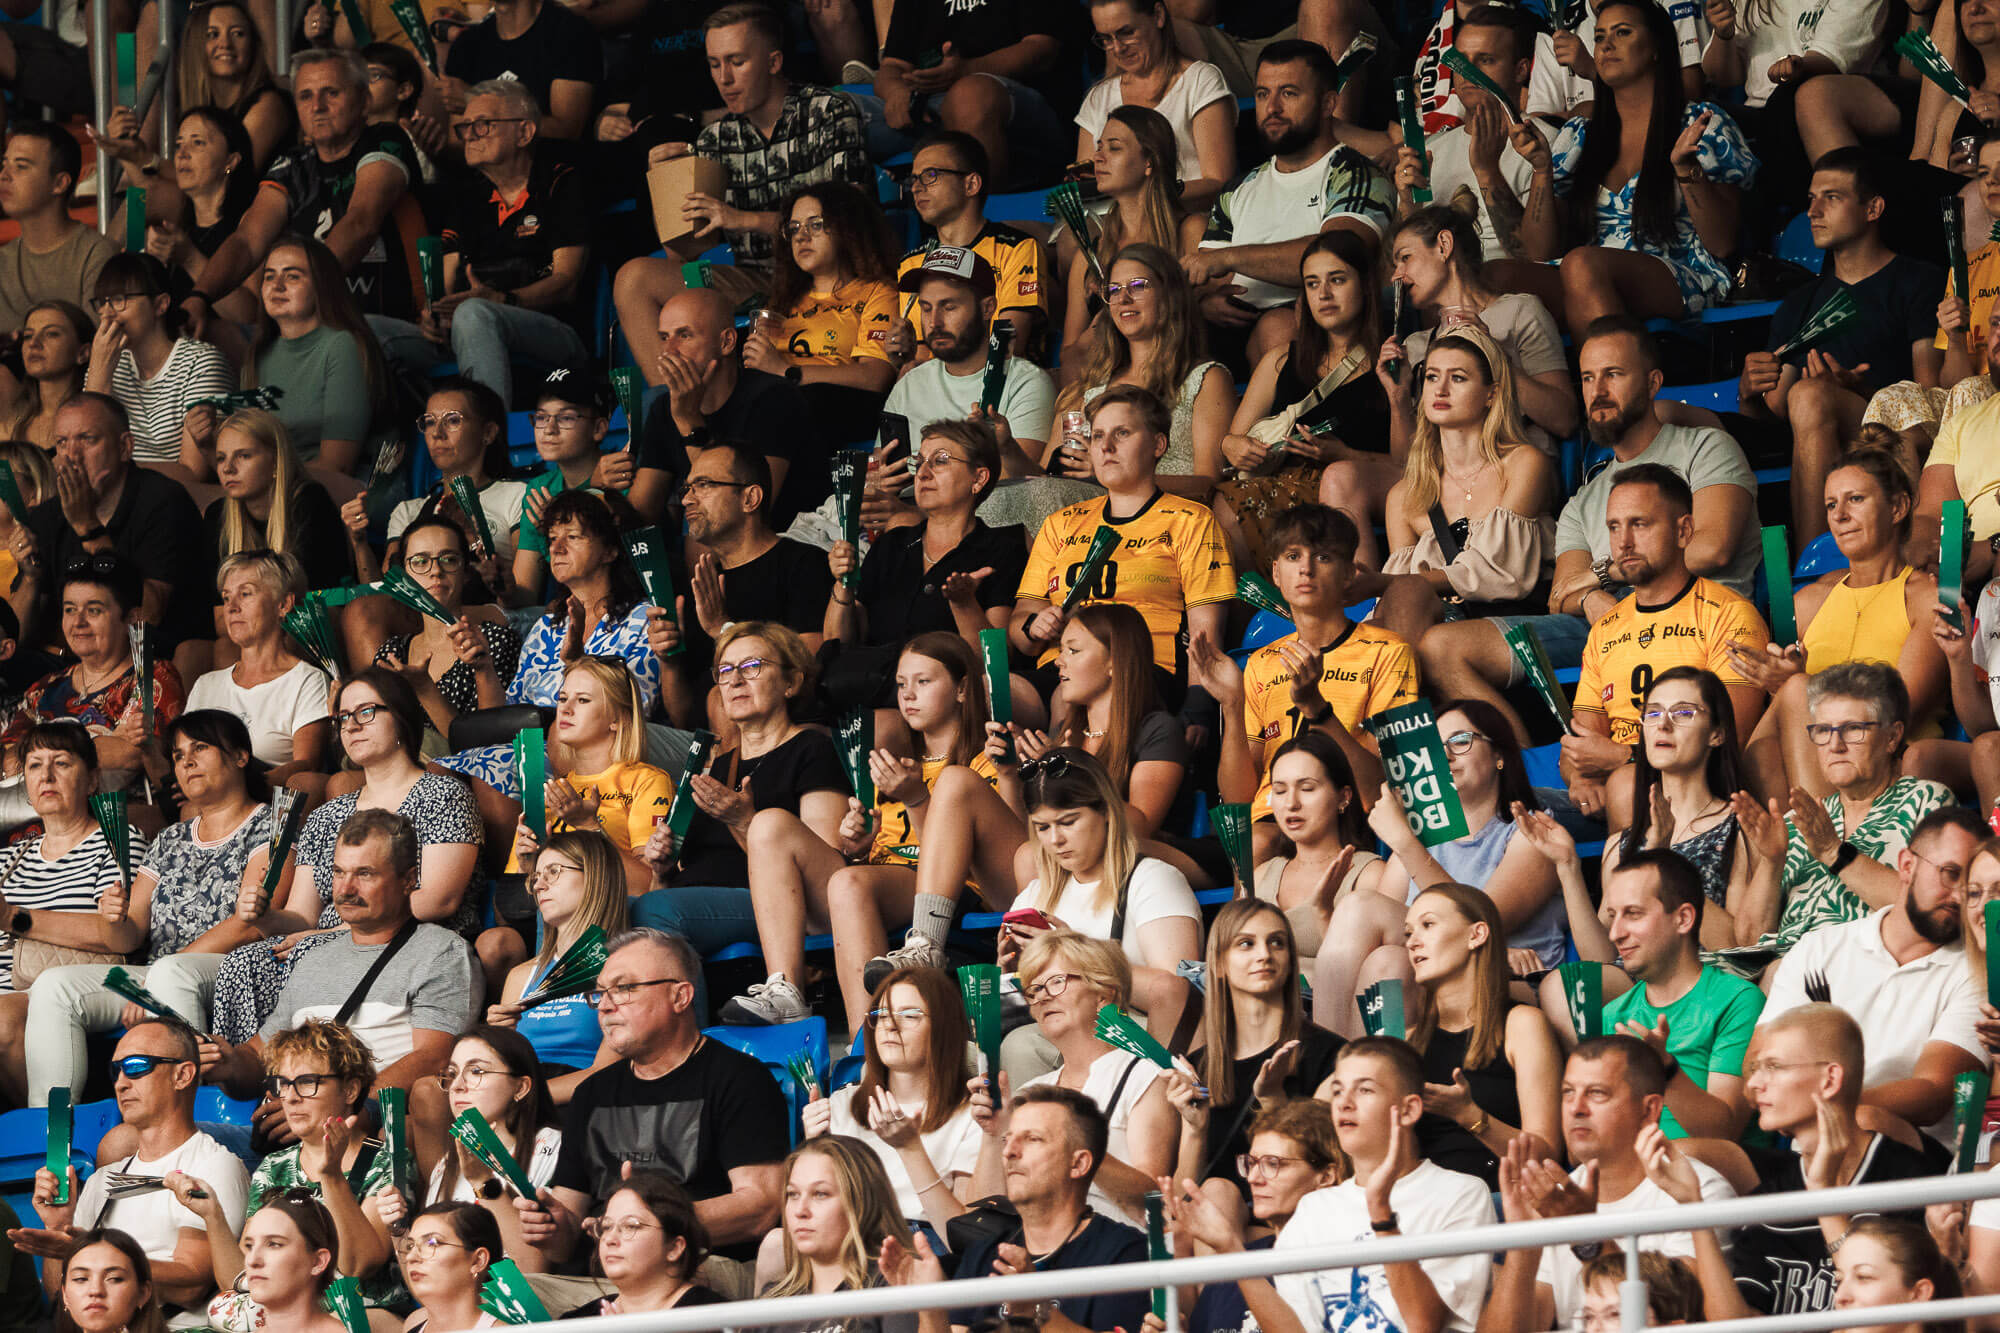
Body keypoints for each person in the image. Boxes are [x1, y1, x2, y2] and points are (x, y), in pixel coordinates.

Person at [1417, 320, 1760, 748]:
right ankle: (1522, 776)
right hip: (1605, 626)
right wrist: (1594, 598)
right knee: (1440, 648)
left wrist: (1603, 576)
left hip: (1698, 618)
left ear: (1653, 383)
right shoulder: (1586, 497)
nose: (1597, 390)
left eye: (1613, 375)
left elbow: (1712, 546)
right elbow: (1562, 593)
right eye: (1586, 378)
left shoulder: (1705, 448)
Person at [21, 710, 280, 1108]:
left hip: (233, 965)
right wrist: (114, 919)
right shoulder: (171, 838)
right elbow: (131, 934)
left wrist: (163, 970)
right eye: (177, 756)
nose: (186, 762)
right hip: (161, 971)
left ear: (241, 756)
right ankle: (53, 1130)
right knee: (54, 987)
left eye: (200, 748)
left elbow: (248, 925)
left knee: (170, 972)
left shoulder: (270, 825)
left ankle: (184, 1120)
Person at [737, 634, 994, 1027]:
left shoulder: (987, 761)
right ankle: (784, 987)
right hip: (882, 885)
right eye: (902, 684)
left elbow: (983, 864)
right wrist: (858, 845)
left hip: (948, 892)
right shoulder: (896, 765)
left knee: (850, 884)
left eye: (923, 682)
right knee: (769, 823)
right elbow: (874, 855)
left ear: (962, 689)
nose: (908, 695)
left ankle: (867, 1039)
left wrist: (915, 799)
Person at [208, 676, 482, 1043]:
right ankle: (257, 1081)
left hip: (405, 938)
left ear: (401, 717)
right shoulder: (327, 815)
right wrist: (266, 916)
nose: (351, 725)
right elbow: (300, 916)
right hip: (328, 943)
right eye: (343, 717)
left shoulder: (443, 795)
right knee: (243, 962)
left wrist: (328, 934)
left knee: (298, 951)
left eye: (366, 712)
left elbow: (438, 900)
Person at [610, 4, 872, 379]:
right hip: (759, 281)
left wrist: (741, 220)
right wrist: (663, 186)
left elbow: (848, 222)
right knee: (634, 278)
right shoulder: (714, 139)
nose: (724, 79)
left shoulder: (829, 111)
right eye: (715, 64)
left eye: (736, 62)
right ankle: (674, 407)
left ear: (774, 61)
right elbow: (684, 249)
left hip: (835, 275)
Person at [515, 927, 789, 1268]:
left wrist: (652, 1222)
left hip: (697, 1269)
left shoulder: (739, 1079)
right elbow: (567, 1232)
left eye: (624, 988)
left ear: (680, 996)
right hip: (601, 1279)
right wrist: (553, 1228)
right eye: (599, 994)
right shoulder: (591, 1094)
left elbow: (760, 1209)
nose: (604, 1006)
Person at [1313, 700, 1562, 1037]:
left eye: (1460, 741)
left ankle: (1327, 1067)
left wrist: (1404, 840)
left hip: (1507, 983)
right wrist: (1325, 915)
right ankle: (1341, 1072)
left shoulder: (1532, 831)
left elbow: (1479, 921)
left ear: (1500, 755)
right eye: (1436, 748)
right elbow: (1368, 933)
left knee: (1364, 912)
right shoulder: (1422, 840)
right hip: (1433, 978)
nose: (1445, 756)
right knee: (1384, 957)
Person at [1736, 151, 1947, 543]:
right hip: (1815, 428)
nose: (1813, 211)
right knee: (1809, 396)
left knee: (1813, 396)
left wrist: (1859, 392)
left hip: (1901, 432)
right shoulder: (1799, 303)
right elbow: (1777, 407)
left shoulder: (1919, 281)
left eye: (1831, 198)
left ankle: (1812, 566)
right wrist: (1749, 391)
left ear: (1873, 208)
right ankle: (1815, 568)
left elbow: (1930, 394)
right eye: (1811, 199)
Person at [203, 811, 482, 1103]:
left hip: (374, 1135)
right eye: (338, 872)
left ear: (408, 879)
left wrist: (336, 1111)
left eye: (365, 874)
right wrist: (227, 1063)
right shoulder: (312, 961)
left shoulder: (440, 952)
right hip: (298, 1132)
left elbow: (435, 1059)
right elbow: (258, 1058)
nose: (346, 889)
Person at [1514, 0, 1758, 330]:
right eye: (1599, 37)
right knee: (1495, 277)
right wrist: (1542, 171)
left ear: (1657, 47)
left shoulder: (1702, 124)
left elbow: (1723, 243)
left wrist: (1686, 171)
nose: (1606, 45)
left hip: (1683, 273)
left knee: (1583, 265)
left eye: (1623, 33)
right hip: (1584, 273)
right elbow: (1537, 252)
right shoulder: (1578, 135)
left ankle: (1605, 378)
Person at [1760, 806, 1989, 1149]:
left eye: (1970, 887)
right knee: (1699, 1153)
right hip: (1806, 1151)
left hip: (1911, 1160)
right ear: (1907, 866)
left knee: (1866, 1122)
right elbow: (1760, 1060)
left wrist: (1829, 1107)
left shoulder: (1976, 973)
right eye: (1949, 873)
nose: (1958, 896)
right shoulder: (1822, 948)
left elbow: (1934, 1091)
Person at [1478, 1035, 1736, 1333]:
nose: (1576, 1108)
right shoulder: (1555, 1197)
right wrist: (1523, 1243)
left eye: (1597, 1093)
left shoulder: (1697, 1189)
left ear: (1650, 1110)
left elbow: (1675, 1313)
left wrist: (1586, 1235)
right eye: (1567, 1093)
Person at [1697, 1004, 1935, 1317]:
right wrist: (1693, 1205)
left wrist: (1823, 1191)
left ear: (1830, 1079)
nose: (1754, 1085)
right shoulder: (1769, 1201)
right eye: (1756, 1069)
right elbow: (1739, 1325)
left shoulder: (1912, 1186)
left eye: (1774, 1067)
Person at [1563, 465, 1769, 822]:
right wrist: (1580, 776)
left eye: (1639, 524)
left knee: (1628, 785)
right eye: (1614, 527)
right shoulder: (1605, 629)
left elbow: (1727, 744)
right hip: (1614, 792)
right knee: (1511, 816)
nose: (1623, 542)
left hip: (1696, 795)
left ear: (1683, 530)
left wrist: (1624, 759)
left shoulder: (1730, 615)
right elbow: (1580, 743)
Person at [635, 623, 847, 969]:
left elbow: (822, 876)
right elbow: (683, 876)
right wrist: (661, 870)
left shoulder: (812, 750)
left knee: (653, 910)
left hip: (778, 906)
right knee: (604, 906)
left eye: (752, 667)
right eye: (725, 670)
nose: (734, 681)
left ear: (791, 683)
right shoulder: (719, 768)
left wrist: (743, 821)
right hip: (693, 904)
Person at [1736, 448, 1943, 800]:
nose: (1841, 515)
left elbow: (1902, 708)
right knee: (1786, 702)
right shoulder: (1809, 601)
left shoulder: (1925, 598)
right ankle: (1799, 838)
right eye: (1831, 505)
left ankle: (1820, 842)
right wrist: (1778, 684)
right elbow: (1783, 719)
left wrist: (1800, 686)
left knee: (1798, 688)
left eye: (1856, 499)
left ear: (1898, 507)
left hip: (1886, 765)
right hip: (1809, 764)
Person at [1199, 505, 1411, 847]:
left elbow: (1378, 789)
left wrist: (1318, 711)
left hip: (1344, 818)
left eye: (1324, 557)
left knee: (1255, 844)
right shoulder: (1261, 662)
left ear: (1349, 574)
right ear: (1276, 574)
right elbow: (1239, 801)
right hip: (1266, 822)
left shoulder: (1388, 652)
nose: (1306, 569)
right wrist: (1232, 705)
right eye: (1293, 556)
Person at [372, 81, 590, 405]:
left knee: (474, 312)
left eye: (483, 125)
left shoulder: (561, 183)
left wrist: (501, 300)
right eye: (464, 128)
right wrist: (433, 316)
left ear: (525, 132)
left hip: (554, 329)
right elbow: (445, 288)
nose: (469, 135)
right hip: (467, 328)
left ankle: (487, 439)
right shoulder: (467, 197)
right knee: (361, 329)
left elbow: (565, 283)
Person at [182, 49, 427, 332]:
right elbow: (248, 241)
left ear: (364, 101)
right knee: (207, 336)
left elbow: (361, 222)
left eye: (331, 93)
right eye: (305, 96)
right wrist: (199, 297)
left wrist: (306, 293)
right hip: (309, 325)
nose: (317, 106)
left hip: (387, 325)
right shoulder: (294, 163)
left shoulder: (385, 139)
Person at [1263, 1038, 1495, 1333]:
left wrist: (1380, 1212)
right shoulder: (1314, 1208)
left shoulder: (1462, 1194)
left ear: (1409, 1110)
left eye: (1365, 1089)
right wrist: (1229, 1248)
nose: (1344, 1103)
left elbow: (1426, 1325)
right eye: (1337, 1091)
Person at [12, 1020, 250, 1306]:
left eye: (137, 1066)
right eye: (116, 1071)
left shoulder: (214, 1165)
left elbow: (192, 1284)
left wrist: (90, 1254)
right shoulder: (104, 1179)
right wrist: (58, 1227)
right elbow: (59, 1298)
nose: (121, 1083)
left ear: (183, 1075)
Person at [1731, 661, 1953, 963]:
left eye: (1853, 730)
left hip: (1867, 972)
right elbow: (1749, 940)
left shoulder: (1926, 801)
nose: (1835, 745)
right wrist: (1771, 862)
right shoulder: (1797, 822)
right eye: (1823, 731)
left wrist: (1834, 852)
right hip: (1783, 978)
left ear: (1892, 737)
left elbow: (1929, 909)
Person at [1012, 385, 1235, 687]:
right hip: (1059, 670)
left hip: (1143, 671)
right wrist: (1033, 627)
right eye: (1098, 436)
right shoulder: (1059, 523)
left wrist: (1197, 710)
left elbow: (1205, 632)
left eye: (1122, 433)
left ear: (1158, 444)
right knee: (983, 698)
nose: (1105, 447)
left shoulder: (1192, 520)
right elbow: (1021, 626)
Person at [1187, 41, 1393, 367]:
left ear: (1328, 103)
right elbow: (1205, 275)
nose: (1272, 107)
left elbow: (1339, 256)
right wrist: (1204, 301)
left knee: (1277, 327)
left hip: (1315, 325)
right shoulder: (1239, 187)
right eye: (1262, 94)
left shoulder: (1356, 173)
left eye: (1289, 93)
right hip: (1231, 327)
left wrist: (1229, 258)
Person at [1374, 324, 1561, 648]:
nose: (1440, 389)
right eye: (1432, 377)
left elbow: (1499, 573)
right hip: (1435, 624)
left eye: (1457, 378)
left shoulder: (1523, 463)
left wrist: (1385, 583)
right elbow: (1398, 596)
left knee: (1412, 606)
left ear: (1491, 393)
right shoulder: (1405, 496)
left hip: (1513, 621)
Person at [976, 931, 1179, 1229]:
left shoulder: (1145, 1075)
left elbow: (1152, 1198)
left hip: (1117, 1251)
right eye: (1033, 990)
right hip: (1039, 1254)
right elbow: (986, 1214)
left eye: (1057, 982)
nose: (1043, 996)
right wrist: (993, 1136)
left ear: (1103, 993)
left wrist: (1073, 1142)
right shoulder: (1030, 1093)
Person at [824, 421, 1029, 707]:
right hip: (868, 689)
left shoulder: (1001, 549)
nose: (923, 472)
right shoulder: (891, 545)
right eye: (918, 462)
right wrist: (842, 583)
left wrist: (965, 603)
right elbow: (836, 644)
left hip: (944, 700)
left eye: (940, 461)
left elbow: (994, 665)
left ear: (979, 478)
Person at [1221, 232, 1392, 572]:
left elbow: (1413, 462)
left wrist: (1344, 455)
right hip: (1275, 482)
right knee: (1219, 505)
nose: (1324, 294)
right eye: (1312, 284)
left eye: (1337, 280)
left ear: (1365, 285)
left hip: (1350, 487)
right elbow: (1229, 441)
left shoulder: (1390, 362)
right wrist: (1237, 447)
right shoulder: (1281, 359)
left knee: (1229, 506)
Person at [199, 1023, 401, 1310]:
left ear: (351, 1090)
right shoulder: (275, 1165)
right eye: (283, 1083)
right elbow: (243, 1277)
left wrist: (330, 1176)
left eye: (307, 1082)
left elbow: (357, 1266)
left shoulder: (384, 1160)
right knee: (222, 1308)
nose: (290, 1097)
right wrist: (213, 1216)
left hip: (357, 1315)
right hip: (287, 1309)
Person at [1562, 668, 1766, 948]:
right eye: (1653, 713)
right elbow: (1603, 960)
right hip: (1635, 987)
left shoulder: (1742, 827)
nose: (1663, 725)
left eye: (1683, 713)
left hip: (1708, 983)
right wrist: (1567, 867)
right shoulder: (1620, 844)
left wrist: (1663, 861)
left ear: (1717, 734)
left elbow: (1737, 948)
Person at [1012, 754, 1203, 1032]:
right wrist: (1010, 973)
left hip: (1132, 1037)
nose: (1055, 839)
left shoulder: (1153, 880)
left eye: (1068, 822)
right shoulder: (1034, 895)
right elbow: (1020, 1011)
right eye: (1043, 827)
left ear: (1106, 813)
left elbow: (1178, 996)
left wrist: (1075, 955)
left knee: (1023, 1045)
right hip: (1060, 1036)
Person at [1378, 206, 1577, 464]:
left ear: (1444, 245)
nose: (1397, 276)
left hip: (1513, 473)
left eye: (1405, 258)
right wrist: (1398, 397)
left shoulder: (1519, 312)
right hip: (1447, 486)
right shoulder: (1415, 347)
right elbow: (1406, 468)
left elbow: (1565, 421)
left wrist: (1492, 352)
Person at [1174, 900, 1346, 1197]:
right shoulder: (1196, 1069)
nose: (1264, 955)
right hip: (1216, 1232)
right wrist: (1195, 1130)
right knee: (1216, 1194)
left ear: (1290, 959)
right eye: (1246, 944)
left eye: (1276, 943)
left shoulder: (1333, 1056)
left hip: (1298, 1226)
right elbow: (1180, 1202)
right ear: (1217, 964)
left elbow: (1325, 1174)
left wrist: (1273, 1100)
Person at [1394, 884, 1562, 1188]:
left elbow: (1547, 1156)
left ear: (1477, 934)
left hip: (1501, 1202)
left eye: (1427, 925)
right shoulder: (1407, 1042)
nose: (1412, 942)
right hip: (1423, 1209)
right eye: (1408, 933)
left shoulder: (1522, 1025)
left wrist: (1469, 1115)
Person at [1590, 851, 1764, 1140]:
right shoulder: (1614, 1014)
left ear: (1683, 919)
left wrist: (1665, 1069)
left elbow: (1723, 1133)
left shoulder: (1738, 1001)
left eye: (1633, 914)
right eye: (1613, 916)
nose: (1615, 934)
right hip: (1633, 1174)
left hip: (1705, 1174)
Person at [948, 1086, 1151, 1333]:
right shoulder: (982, 1254)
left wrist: (1036, 1310)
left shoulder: (1125, 1255)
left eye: (1033, 1139)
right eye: (1007, 1139)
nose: (1009, 1151)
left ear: (1078, 1163)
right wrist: (923, 1302)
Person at [21, 395, 209, 655]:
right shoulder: (47, 515)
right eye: (62, 443)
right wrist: (30, 578)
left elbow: (148, 616)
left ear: (125, 447)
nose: (72, 456)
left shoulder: (163, 501)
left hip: (151, 658)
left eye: (88, 439)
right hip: (73, 661)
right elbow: (18, 636)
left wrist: (88, 527)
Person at [802, 968, 983, 1234]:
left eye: (909, 1015)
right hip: (851, 1237)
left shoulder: (973, 1115)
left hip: (925, 1239)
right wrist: (812, 1148)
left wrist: (910, 1149)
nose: (889, 1025)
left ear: (944, 1028)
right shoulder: (843, 1104)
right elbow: (814, 1214)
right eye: (881, 1015)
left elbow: (963, 1237)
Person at [630, 289, 824, 530]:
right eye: (664, 337)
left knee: (700, 536)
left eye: (684, 335)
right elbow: (638, 516)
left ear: (726, 342)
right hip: (712, 551)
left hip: (781, 549)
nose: (669, 351)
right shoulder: (664, 407)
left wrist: (689, 421)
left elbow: (743, 517)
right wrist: (598, 487)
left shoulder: (774, 398)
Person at [1058, 244, 1236, 501]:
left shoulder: (1207, 379)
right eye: (1114, 290)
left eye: (1138, 286)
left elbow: (1209, 486)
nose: (1124, 299)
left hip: (1172, 519)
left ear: (1170, 295)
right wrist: (1009, 450)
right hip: (1093, 515)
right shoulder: (1091, 389)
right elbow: (1045, 478)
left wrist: (1108, 477)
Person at [653, 447, 831, 701]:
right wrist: (669, 661)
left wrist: (723, 629)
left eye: (703, 485)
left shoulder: (803, 564)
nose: (686, 500)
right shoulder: (703, 584)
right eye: (686, 489)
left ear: (750, 498)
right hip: (700, 740)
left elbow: (806, 670)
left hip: (778, 733)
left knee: (718, 699)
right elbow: (684, 717)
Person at [374, 1029, 562, 1270]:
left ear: (521, 1087)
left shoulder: (552, 1146)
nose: (458, 1086)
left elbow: (533, 1270)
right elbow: (426, 1276)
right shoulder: (447, 1163)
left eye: (476, 1071)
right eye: (452, 1074)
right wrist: (398, 1229)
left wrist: (483, 1183)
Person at [0, 552, 186, 786]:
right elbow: (9, 761)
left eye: (94, 610)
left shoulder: (152, 677)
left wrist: (38, 753)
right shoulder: (45, 687)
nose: (78, 622)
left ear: (132, 617)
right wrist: (100, 743)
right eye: (69, 609)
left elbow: (131, 754)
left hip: (116, 816)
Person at [1171, 1100, 1346, 1333]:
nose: (1253, 1177)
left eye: (1273, 1164)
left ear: (1326, 1177)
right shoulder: (1232, 1268)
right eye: (1251, 1163)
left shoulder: (1347, 1264)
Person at [743, 186, 900, 445]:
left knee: (796, 402)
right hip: (777, 402)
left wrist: (788, 371)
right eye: (793, 228)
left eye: (815, 225)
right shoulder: (785, 299)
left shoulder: (877, 293)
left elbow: (875, 377)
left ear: (847, 229)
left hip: (835, 408)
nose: (801, 237)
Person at [881, 252, 1053, 485]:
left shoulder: (1026, 382)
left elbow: (1020, 488)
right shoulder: (909, 383)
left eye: (949, 307)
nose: (934, 323)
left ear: (987, 308)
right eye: (926, 308)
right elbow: (882, 467)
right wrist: (876, 484)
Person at [1058, 108, 1211, 367]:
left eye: (1114, 148)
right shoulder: (1089, 256)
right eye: (1099, 147)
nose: (1097, 157)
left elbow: (1208, 325)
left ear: (1149, 161)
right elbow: (1070, 355)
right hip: (1108, 386)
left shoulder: (1190, 230)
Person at [873, 0, 1078, 190]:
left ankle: (984, 224)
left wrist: (967, 70)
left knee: (969, 97)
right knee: (843, 115)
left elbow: (1042, 49)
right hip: (927, 110)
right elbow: (893, 65)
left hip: (1022, 111)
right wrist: (896, 91)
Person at [510, 655, 670, 893]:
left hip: (613, 919)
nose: (565, 708)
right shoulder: (551, 793)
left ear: (617, 719)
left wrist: (588, 825)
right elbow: (509, 910)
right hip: (550, 921)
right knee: (497, 933)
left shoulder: (646, 781)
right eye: (562, 698)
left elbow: (648, 887)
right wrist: (527, 868)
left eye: (583, 700)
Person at [1392, 9, 1540, 263]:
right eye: (1461, 60)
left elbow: (1533, 256)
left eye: (1485, 60)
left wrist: (1488, 172)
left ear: (1520, 70)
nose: (1468, 71)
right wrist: (1408, 205)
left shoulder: (1546, 143)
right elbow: (1394, 272)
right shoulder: (1432, 149)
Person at [488, 831, 625, 1098]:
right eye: (536, 877)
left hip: (578, 1105)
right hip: (521, 1100)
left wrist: (523, 1100)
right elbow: (500, 1070)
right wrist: (497, 1041)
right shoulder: (521, 975)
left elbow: (608, 1073)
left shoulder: (621, 968)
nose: (539, 885)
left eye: (554, 871)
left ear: (595, 877)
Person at [1037, 604, 1191, 838]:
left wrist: (1074, 777)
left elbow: (1140, 828)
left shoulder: (1157, 729)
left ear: (1115, 661)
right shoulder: (1066, 732)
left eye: (1073, 650)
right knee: (1028, 854)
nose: (1059, 661)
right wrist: (1009, 774)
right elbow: (1034, 826)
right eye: (1061, 650)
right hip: (1077, 857)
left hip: (1145, 861)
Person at [893, 132, 1051, 359]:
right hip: (936, 385)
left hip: (999, 385)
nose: (917, 187)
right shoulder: (911, 263)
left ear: (971, 184)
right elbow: (920, 357)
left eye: (931, 175)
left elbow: (1008, 347)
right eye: (914, 179)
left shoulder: (1017, 248)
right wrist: (902, 360)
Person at [250, 236, 395, 477]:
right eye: (269, 276)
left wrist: (265, 480)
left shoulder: (342, 345)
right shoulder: (260, 353)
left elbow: (338, 466)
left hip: (336, 489)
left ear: (321, 285)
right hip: (273, 486)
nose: (277, 286)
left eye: (292, 276)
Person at [185, 551, 333, 787]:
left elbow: (308, 767)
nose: (231, 607)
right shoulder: (206, 685)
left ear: (283, 604)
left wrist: (246, 784)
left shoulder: (307, 680)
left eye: (245, 594)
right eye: (226, 598)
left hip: (267, 802)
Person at [372, 517, 522, 749]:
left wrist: (426, 687)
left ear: (466, 572)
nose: (436, 571)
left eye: (449, 559)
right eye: (420, 562)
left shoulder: (495, 641)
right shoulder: (392, 652)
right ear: (404, 576)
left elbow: (487, 747)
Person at [1250, 731, 1391, 970]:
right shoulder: (1261, 874)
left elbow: (1379, 979)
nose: (1291, 803)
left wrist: (1324, 912)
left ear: (1343, 797)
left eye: (1307, 788)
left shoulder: (1370, 875)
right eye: (1280, 791)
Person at [370, 380, 527, 594]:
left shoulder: (517, 496)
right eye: (429, 422)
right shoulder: (408, 512)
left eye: (453, 420)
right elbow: (389, 593)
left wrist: (473, 539)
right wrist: (359, 542)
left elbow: (523, 593)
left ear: (488, 432)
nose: (437, 433)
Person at [82, 254, 235, 473]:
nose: (106, 313)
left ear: (160, 305)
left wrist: (114, 471)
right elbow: (83, 449)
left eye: (119, 300)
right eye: (102, 302)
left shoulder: (201, 363)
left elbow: (193, 471)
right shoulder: (104, 362)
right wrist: (99, 372)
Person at [1076, 0, 1235, 209]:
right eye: (1106, 39)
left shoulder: (1200, 81)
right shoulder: (1098, 97)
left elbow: (1218, 181)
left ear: (1158, 16)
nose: (1117, 48)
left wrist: (1145, 196)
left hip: (1187, 219)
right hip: (1117, 227)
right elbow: (1087, 185)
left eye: (1127, 32)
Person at [512, 372, 635, 603]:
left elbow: (624, 570)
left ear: (598, 428)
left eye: (566, 418)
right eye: (541, 417)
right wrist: (502, 586)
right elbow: (523, 594)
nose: (549, 429)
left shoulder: (620, 474)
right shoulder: (540, 489)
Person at [203, 412, 355, 597]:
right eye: (221, 458)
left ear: (276, 462)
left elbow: (318, 598)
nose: (228, 468)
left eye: (243, 456)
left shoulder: (310, 503)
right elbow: (218, 611)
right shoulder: (217, 515)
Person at [763, 1137, 911, 1314]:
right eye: (793, 1194)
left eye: (820, 1194)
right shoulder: (773, 1300)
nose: (800, 1211)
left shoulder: (892, 1285)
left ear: (861, 1203)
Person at [146, 108, 262, 321]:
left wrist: (190, 259)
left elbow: (250, 316)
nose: (182, 153)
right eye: (179, 144)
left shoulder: (251, 223)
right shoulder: (179, 231)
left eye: (197, 143)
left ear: (231, 161)